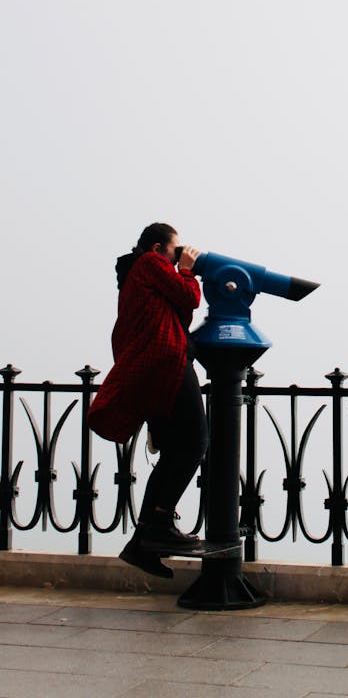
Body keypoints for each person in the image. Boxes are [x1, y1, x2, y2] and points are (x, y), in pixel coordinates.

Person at [88, 222, 209, 577]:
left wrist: (182, 270)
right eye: (175, 249)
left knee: (175, 449)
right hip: (166, 363)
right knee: (195, 443)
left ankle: (142, 543)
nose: (179, 255)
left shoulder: (141, 274)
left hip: (154, 368)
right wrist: (186, 271)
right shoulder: (150, 264)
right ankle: (159, 523)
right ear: (158, 248)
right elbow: (189, 298)